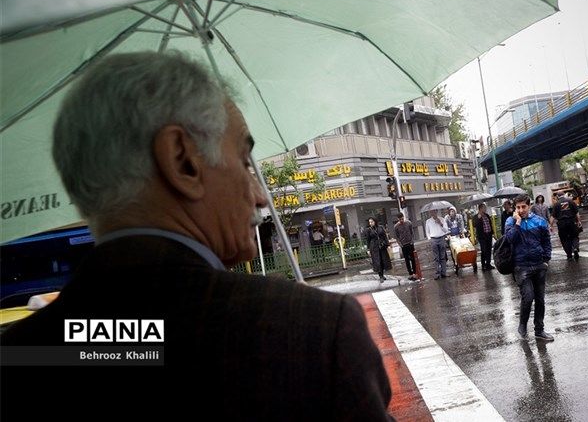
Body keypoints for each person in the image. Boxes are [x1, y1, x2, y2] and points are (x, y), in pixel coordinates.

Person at [0, 52, 393, 420]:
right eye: (244, 160)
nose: (259, 194)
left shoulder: (22, 352)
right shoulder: (313, 331)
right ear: (181, 160)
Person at [504, 194, 554, 341]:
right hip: (521, 266)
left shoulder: (539, 221)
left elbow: (546, 241)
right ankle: (522, 325)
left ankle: (539, 330)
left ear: (529, 206)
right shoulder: (511, 221)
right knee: (528, 297)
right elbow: (509, 239)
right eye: (518, 207)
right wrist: (517, 222)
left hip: (539, 264)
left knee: (540, 299)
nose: (521, 210)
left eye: (523, 207)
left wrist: (546, 261)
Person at [549, 191, 582, 261]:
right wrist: (579, 221)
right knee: (575, 236)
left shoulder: (556, 204)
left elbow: (552, 217)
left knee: (564, 239)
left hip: (561, 224)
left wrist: (550, 225)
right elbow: (577, 213)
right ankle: (575, 248)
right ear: (564, 195)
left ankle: (569, 255)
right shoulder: (571, 201)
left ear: (557, 196)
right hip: (571, 221)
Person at [365, 217, 392, 282]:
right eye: (369, 222)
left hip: (382, 246)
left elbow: (385, 236)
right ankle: (381, 276)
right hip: (374, 247)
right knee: (377, 261)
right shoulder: (369, 230)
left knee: (383, 260)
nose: (371, 223)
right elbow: (368, 240)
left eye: (372, 222)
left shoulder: (381, 227)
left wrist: (388, 245)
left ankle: (382, 274)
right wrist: (368, 249)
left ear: (375, 221)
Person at [425, 209, 449, 279]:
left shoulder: (442, 219)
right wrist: (430, 239)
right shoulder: (428, 221)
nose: (433, 213)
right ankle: (437, 273)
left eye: (434, 211)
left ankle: (443, 272)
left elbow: (446, 230)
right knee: (436, 258)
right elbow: (427, 232)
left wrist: (440, 224)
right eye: (431, 211)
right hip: (433, 239)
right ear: (430, 212)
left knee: (442, 256)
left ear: (437, 212)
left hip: (441, 238)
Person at [394, 213, 417, 281]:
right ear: (398, 219)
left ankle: (414, 273)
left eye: (402, 219)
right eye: (400, 219)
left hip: (410, 243)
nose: (401, 220)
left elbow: (412, 232)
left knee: (413, 259)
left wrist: (412, 241)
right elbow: (396, 237)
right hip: (404, 245)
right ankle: (410, 273)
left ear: (403, 217)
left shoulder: (408, 223)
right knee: (407, 260)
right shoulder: (396, 226)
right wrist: (400, 245)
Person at [473, 203, 496, 270]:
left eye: (485, 208)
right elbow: (474, 225)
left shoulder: (487, 215)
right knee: (484, 250)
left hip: (488, 235)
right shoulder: (476, 216)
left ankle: (488, 264)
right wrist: (478, 218)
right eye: (484, 208)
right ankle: (483, 265)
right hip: (482, 236)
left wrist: (492, 233)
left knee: (489, 249)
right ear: (480, 209)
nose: (485, 209)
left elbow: (490, 224)